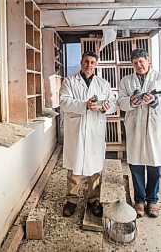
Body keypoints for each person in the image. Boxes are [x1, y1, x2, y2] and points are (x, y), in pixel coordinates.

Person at [117, 48, 161, 218]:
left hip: (155, 127)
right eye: (135, 63)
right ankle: (140, 200)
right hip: (135, 126)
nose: (139, 65)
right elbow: (120, 102)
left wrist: (155, 100)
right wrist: (132, 102)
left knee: (155, 165)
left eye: (141, 61)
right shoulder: (126, 81)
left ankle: (153, 200)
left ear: (148, 60)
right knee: (136, 165)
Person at [59, 51, 116, 217]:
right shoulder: (69, 81)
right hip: (76, 128)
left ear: (96, 64)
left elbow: (112, 103)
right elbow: (63, 102)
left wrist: (107, 107)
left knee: (95, 167)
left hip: (95, 130)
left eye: (92, 62)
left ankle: (93, 199)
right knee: (74, 166)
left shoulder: (103, 84)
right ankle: (72, 200)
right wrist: (85, 105)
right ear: (81, 62)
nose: (89, 65)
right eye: (86, 61)